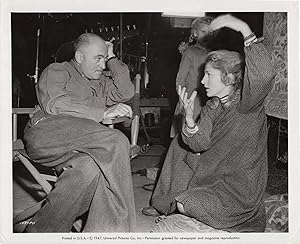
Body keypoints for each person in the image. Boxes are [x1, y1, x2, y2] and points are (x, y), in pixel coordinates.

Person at [142, 15, 276, 232]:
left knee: (186, 203)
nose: (202, 81)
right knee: (179, 145)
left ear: (229, 78)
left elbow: (264, 77)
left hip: (240, 190)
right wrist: (188, 119)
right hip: (213, 178)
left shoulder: (248, 105)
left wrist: (243, 29)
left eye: (208, 75)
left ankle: (229, 217)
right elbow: (199, 143)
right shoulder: (213, 106)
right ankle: (166, 202)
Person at [22, 33, 136, 232]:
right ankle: (117, 231)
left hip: (79, 145)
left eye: (104, 59)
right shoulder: (58, 70)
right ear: (80, 57)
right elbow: (55, 104)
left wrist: (112, 58)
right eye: (97, 58)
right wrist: (102, 112)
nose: (102, 65)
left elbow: (125, 92)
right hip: (48, 134)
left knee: (89, 167)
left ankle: (41, 232)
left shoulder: (99, 82)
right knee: (116, 141)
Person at [170, 16, 213, 138]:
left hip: (207, 100)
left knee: (203, 133)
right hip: (190, 100)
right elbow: (180, 79)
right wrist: (182, 100)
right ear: (195, 33)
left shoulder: (212, 53)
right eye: (203, 32)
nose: (207, 35)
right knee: (187, 134)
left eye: (210, 32)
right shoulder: (190, 52)